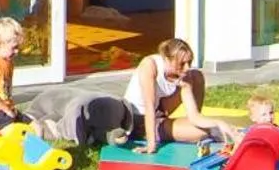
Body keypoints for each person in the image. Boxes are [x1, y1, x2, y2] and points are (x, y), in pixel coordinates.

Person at [78, 38, 239, 153]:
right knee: (201, 132)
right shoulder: (150, 65)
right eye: (182, 63)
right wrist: (151, 145)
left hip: (161, 113)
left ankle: (222, 133)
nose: (187, 67)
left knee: (196, 76)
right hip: (138, 119)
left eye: (189, 62)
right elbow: (149, 107)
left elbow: (195, 116)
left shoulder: (185, 76)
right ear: (167, 60)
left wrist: (219, 122)